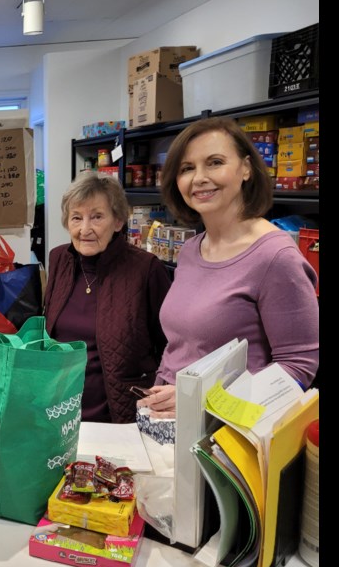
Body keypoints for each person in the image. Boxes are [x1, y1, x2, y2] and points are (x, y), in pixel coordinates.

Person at [137, 117, 319, 419]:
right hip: (167, 423)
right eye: (187, 168)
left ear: (246, 168)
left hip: (225, 437)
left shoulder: (275, 257)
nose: (199, 178)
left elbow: (298, 368)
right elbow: (183, 348)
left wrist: (199, 401)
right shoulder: (192, 250)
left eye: (215, 162)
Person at [43, 171, 171, 423]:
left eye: (97, 217)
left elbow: (169, 344)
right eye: (76, 218)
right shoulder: (59, 259)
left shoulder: (145, 268)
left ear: (118, 221)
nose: (85, 229)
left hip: (120, 415)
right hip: (60, 410)